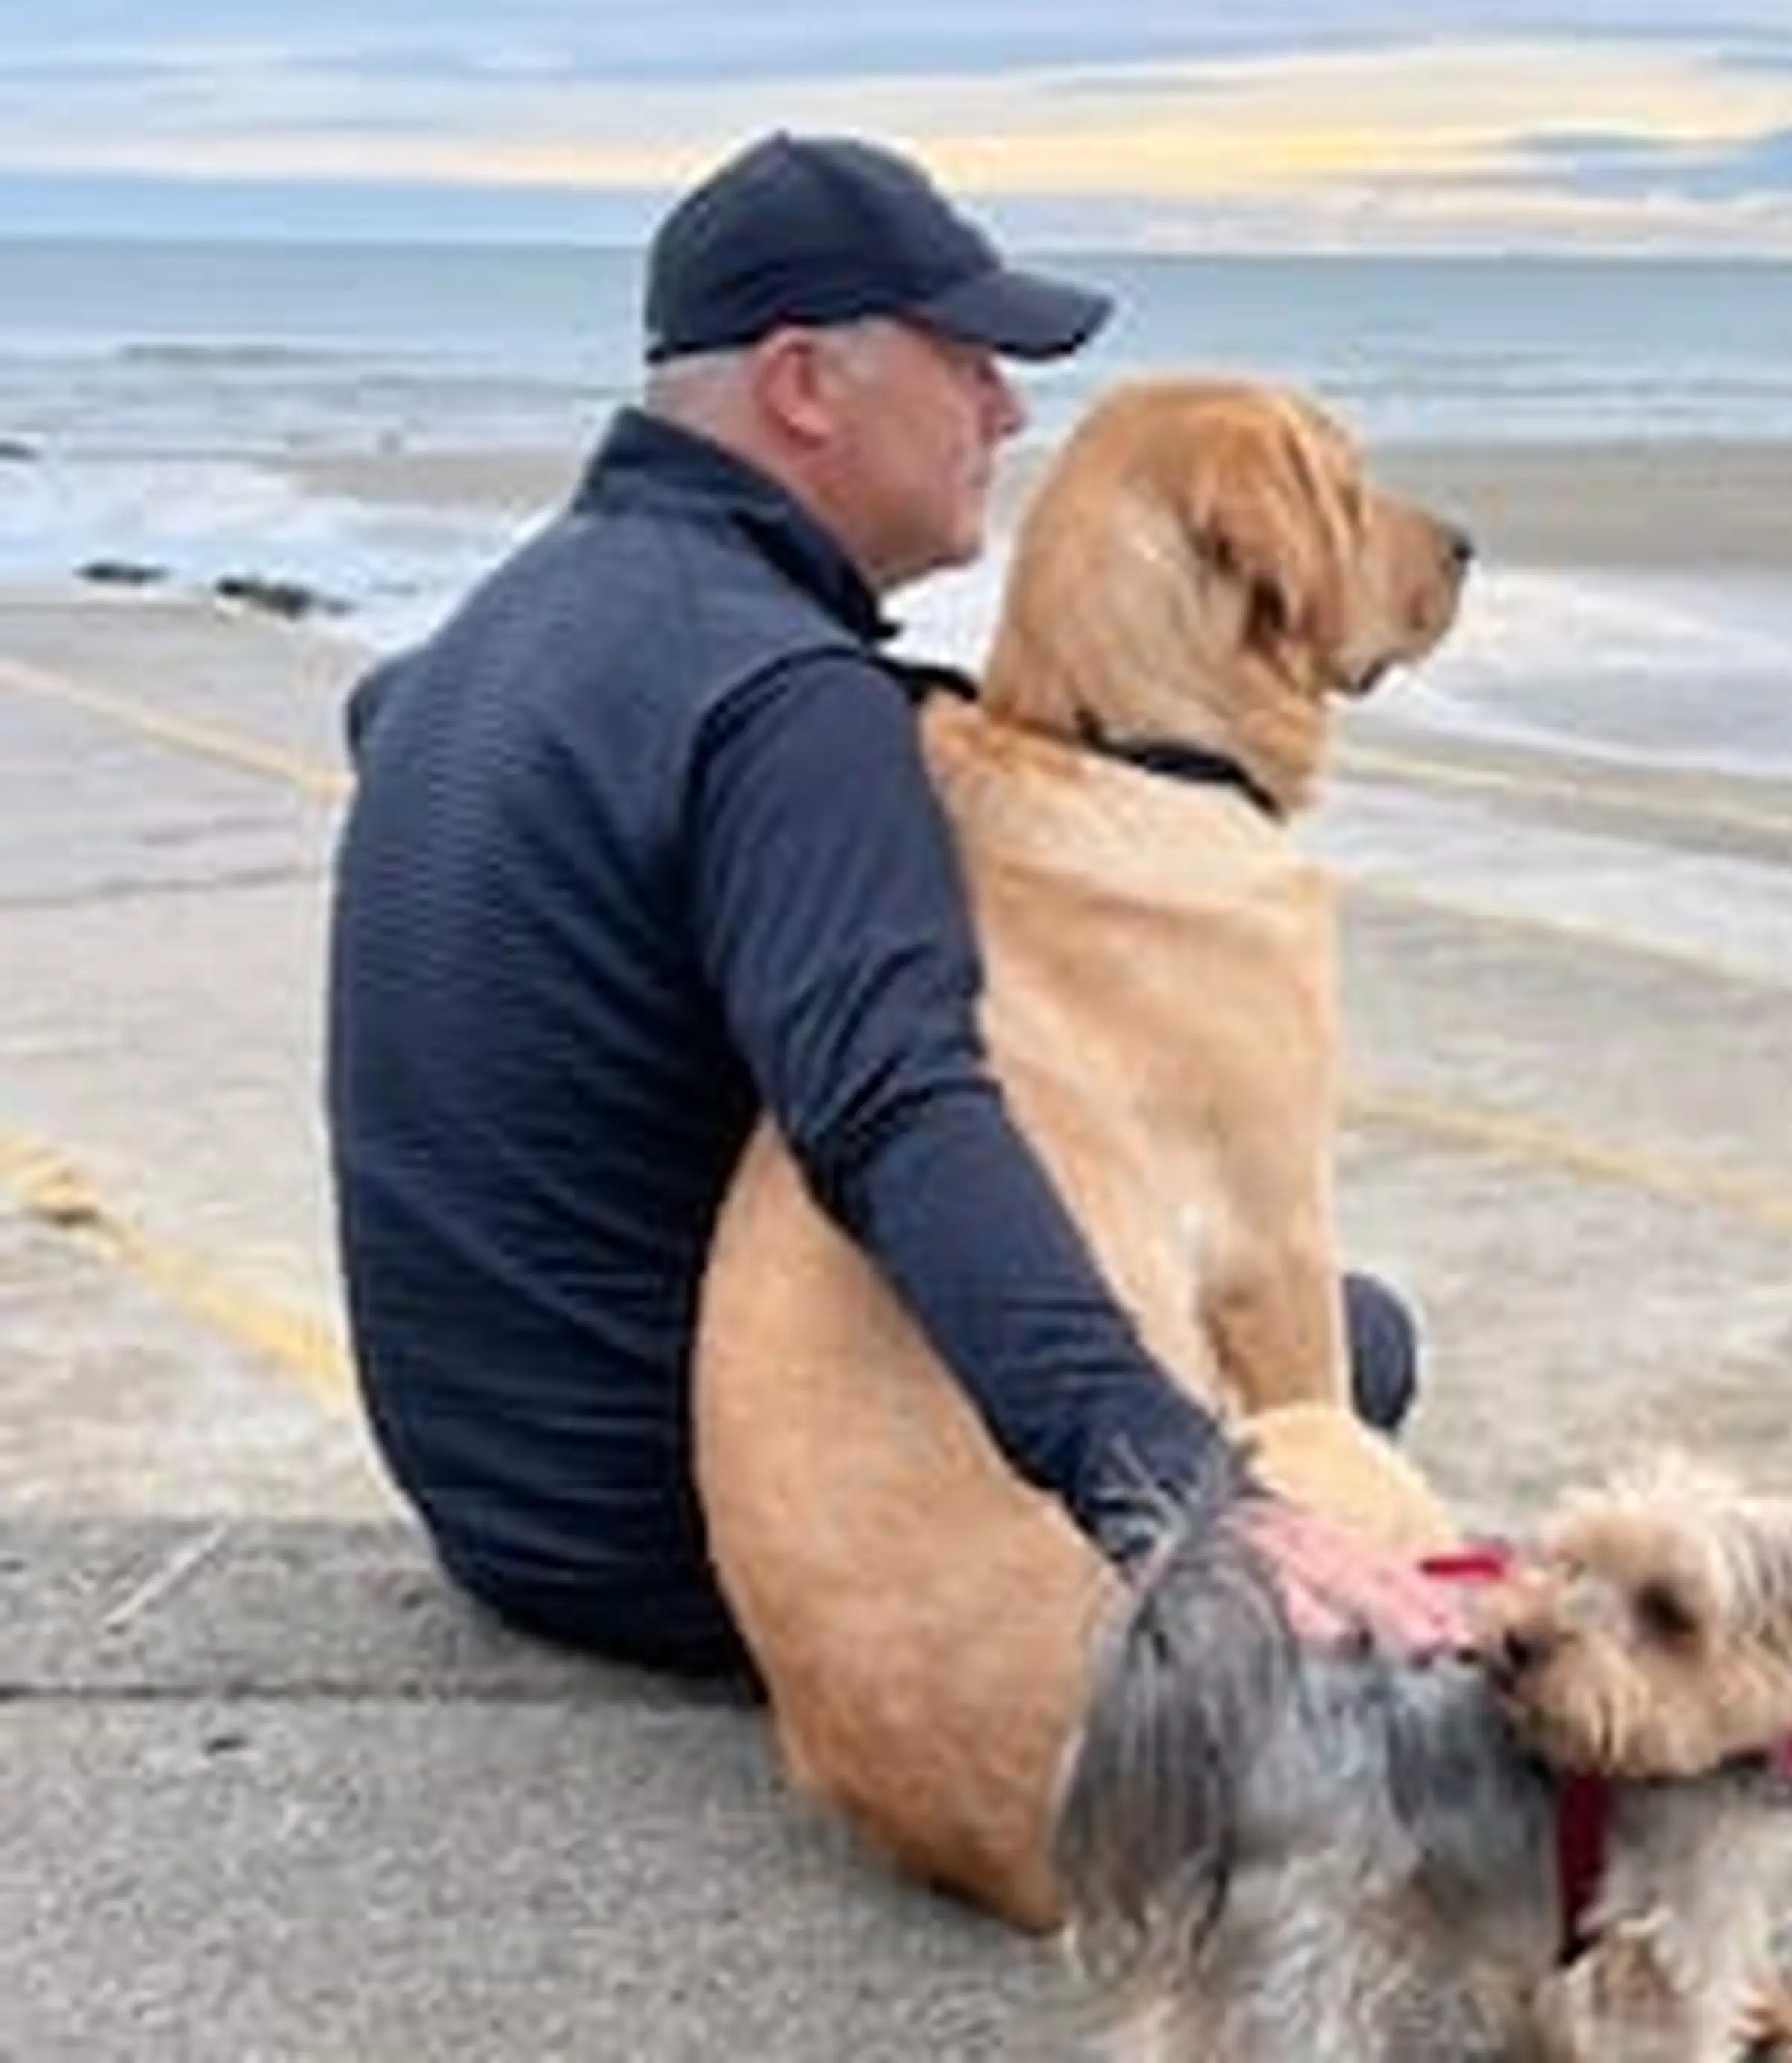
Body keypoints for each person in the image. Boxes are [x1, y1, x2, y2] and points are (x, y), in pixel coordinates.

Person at [326, 131, 1456, 1674]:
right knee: (1352, 1352)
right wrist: (1173, 1492)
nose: (1003, 408)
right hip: (685, 1534)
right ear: (805, 384)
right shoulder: (792, 707)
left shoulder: (503, 632)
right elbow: (892, 1112)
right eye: (969, 361)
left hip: (493, 1498)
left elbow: (401, 729)